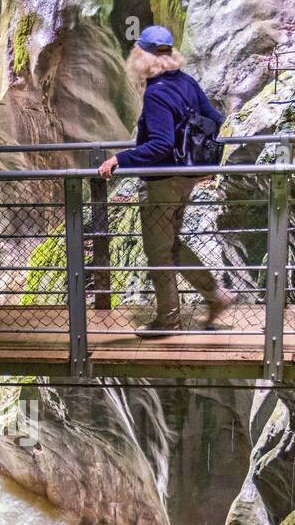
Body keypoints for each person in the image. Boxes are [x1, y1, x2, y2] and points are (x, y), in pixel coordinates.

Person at [99, 25, 234, 334]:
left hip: (162, 181)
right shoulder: (186, 83)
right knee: (171, 245)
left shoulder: (157, 93)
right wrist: (197, 158)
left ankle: (168, 321)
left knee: (158, 251)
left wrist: (120, 159)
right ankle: (215, 295)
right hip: (185, 178)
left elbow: (159, 144)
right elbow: (214, 119)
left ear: (144, 56)